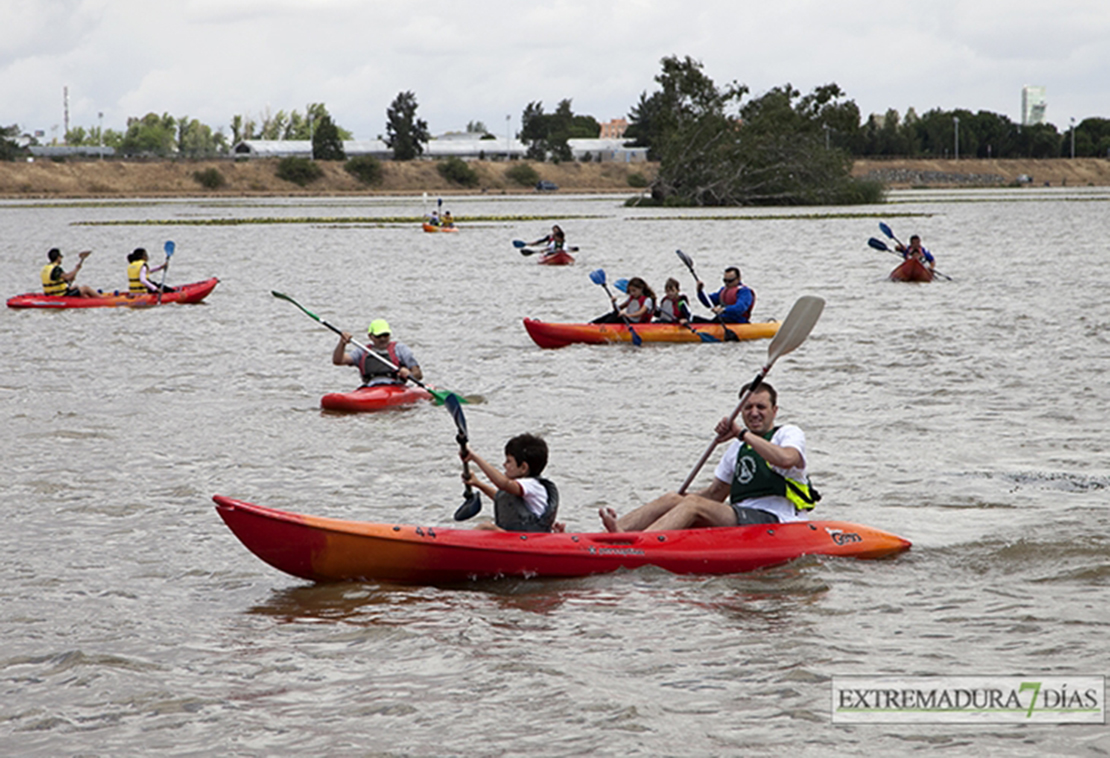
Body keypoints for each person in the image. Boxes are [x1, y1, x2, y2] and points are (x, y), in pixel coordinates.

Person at [598, 381, 818, 532]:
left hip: (777, 519)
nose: (754, 412)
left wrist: (742, 434)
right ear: (740, 411)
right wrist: (675, 503)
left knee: (693, 504)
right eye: (748, 407)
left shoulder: (787, 433)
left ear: (774, 410)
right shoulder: (736, 448)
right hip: (742, 516)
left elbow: (786, 459)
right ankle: (612, 534)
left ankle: (640, 544)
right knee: (674, 498)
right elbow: (715, 494)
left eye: (761, 406)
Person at [461, 433, 559, 532]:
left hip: (529, 539)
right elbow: (501, 498)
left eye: (508, 461)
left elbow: (503, 484)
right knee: (488, 527)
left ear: (523, 468)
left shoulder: (532, 485)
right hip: (517, 538)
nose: (504, 465)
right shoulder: (522, 489)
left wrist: (474, 457)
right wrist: (478, 484)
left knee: (487, 527)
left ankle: (458, 543)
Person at [332, 319, 423, 387]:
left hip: (395, 387)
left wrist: (409, 374)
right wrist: (342, 343)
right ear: (370, 336)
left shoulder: (400, 349)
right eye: (378, 336)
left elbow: (418, 375)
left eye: (385, 335)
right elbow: (338, 361)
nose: (383, 339)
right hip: (370, 388)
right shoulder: (363, 351)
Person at [591, 276, 656, 324]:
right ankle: (593, 323)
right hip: (628, 320)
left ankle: (603, 326)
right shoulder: (631, 298)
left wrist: (627, 315)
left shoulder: (647, 300)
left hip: (637, 323)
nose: (632, 293)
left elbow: (640, 313)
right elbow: (617, 309)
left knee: (617, 316)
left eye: (634, 291)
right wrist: (614, 302)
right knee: (614, 314)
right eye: (630, 291)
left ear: (641, 289)